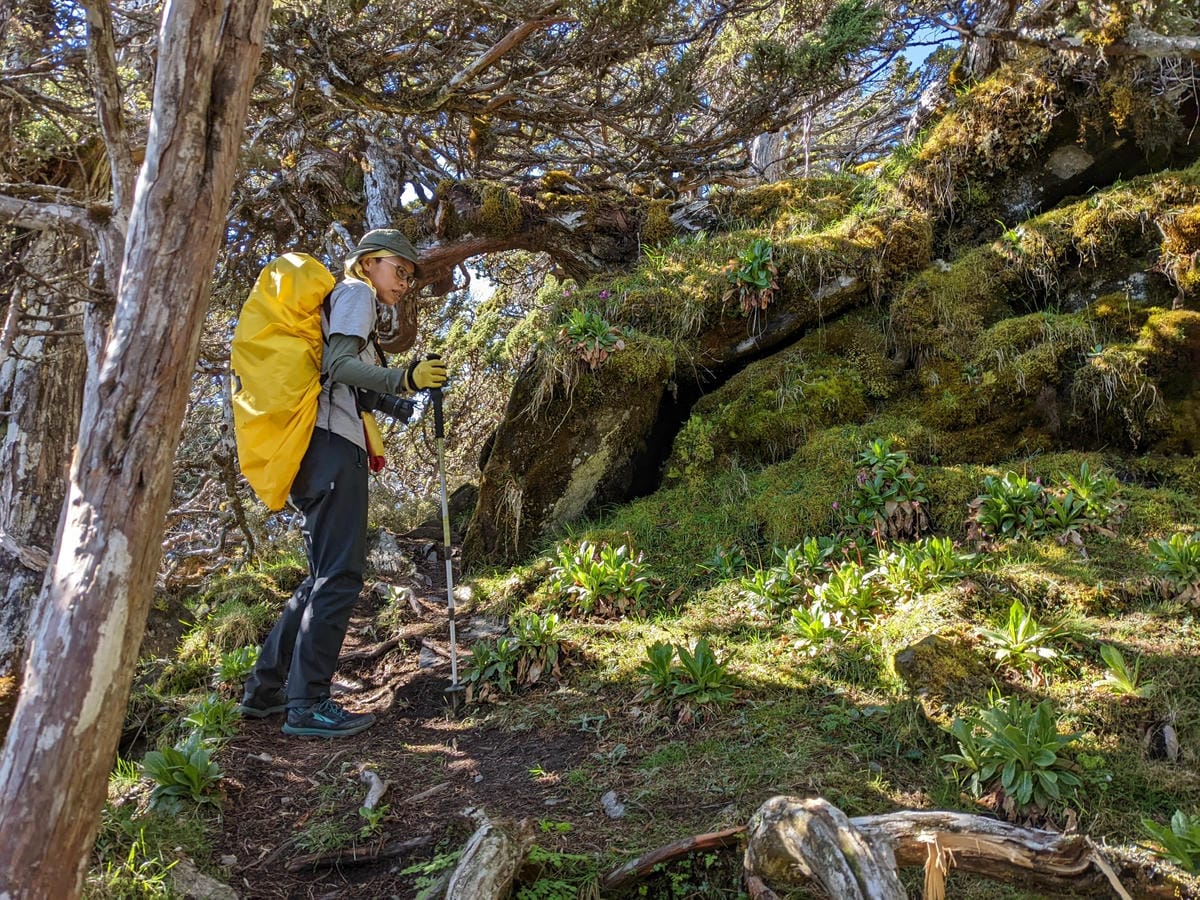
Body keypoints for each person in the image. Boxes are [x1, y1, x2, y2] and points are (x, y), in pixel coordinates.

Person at [239, 229, 448, 737]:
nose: (404, 282)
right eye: (399, 269)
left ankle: (265, 692)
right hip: (335, 450)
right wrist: (405, 378)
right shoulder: (355, 293)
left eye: (410, 276)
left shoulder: (342, 306)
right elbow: (340, 367)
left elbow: (344, 382)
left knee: (320, 576)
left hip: (314, 452)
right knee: (341, 576)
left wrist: (399, 396)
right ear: (369, 262)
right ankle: (307, 704)